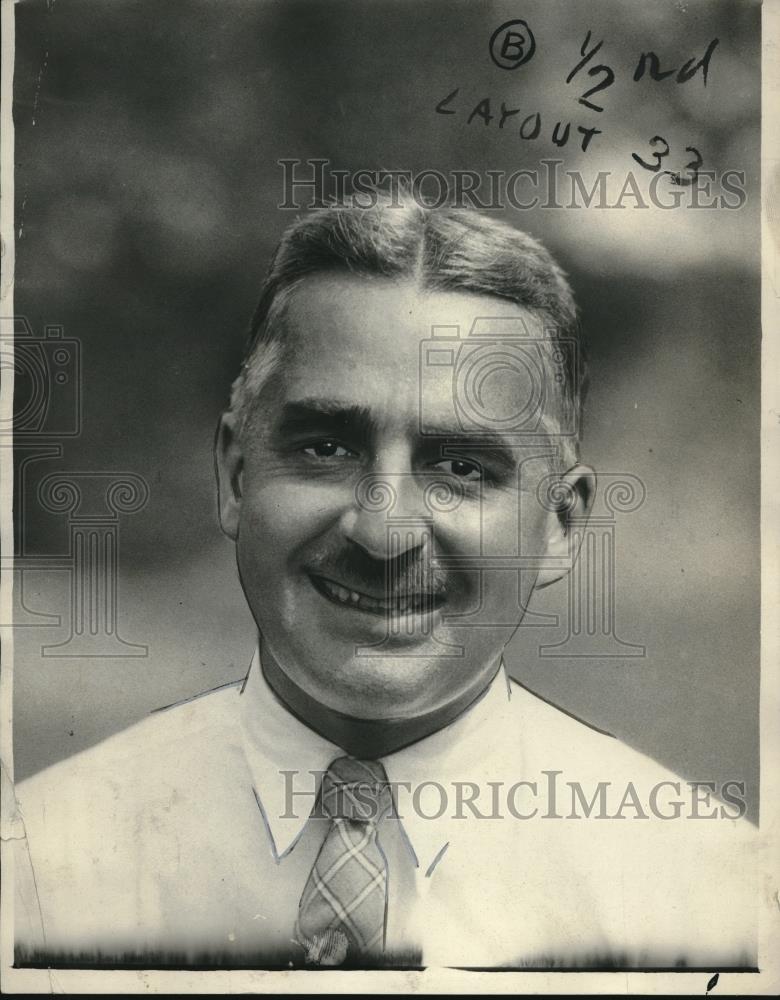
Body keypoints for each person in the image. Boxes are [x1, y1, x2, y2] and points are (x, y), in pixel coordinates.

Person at [11, 198, 756, 970]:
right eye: (327, 447)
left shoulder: (705, 901)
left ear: (560, 524)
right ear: (236, 477)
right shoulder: (40, 870)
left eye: (462, 468)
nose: (383, 531)